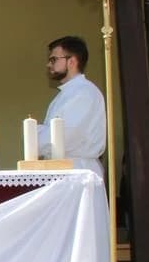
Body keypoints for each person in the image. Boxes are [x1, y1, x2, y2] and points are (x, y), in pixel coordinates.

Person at [36, 36, 106, 178]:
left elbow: (63, 137)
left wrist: (37, 134)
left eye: (53, 60)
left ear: (72, 61)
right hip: (67, 169)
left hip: (78, 172)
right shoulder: (67, 93)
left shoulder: (84, 92)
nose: (48, 65)